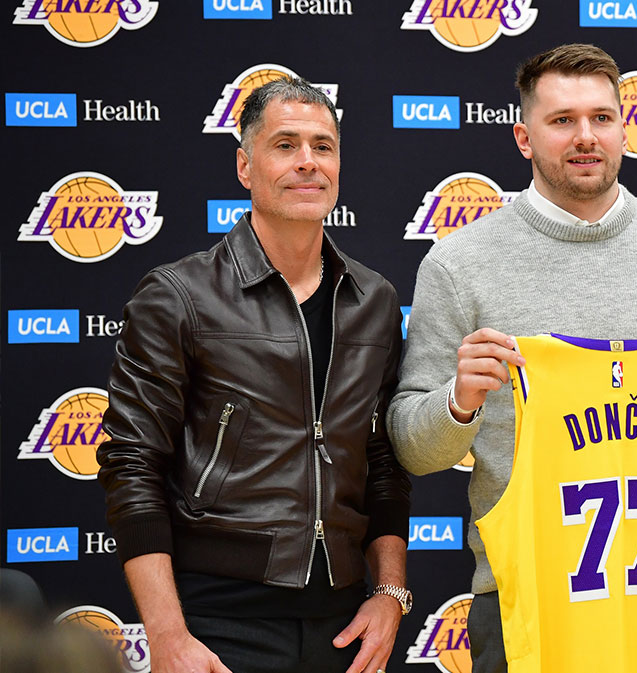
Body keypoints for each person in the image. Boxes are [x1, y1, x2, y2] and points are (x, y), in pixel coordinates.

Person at [387, 43, 637, 672]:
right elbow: (412, 447)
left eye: (602, 118)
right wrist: (459, 403)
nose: (585, 137)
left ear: (625, 128)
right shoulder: (460, 264)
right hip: (528, 598)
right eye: (562, 120)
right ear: (524, 137)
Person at [97, 76, 412, 673]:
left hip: (342, 628)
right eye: (285, 145)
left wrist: (390, 594)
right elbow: (131, 464)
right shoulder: (179, 295)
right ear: (245, 166)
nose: (307, 163)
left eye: (323, 146)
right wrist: (166, 635)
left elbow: (384, 460)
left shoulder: (374, 299)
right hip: (218, 626)